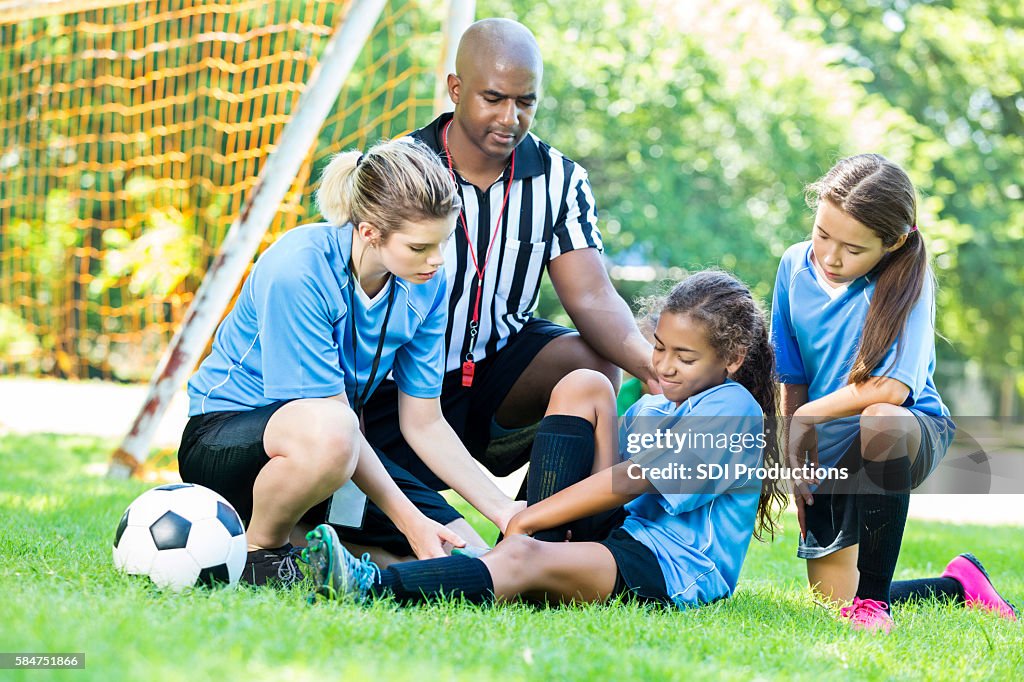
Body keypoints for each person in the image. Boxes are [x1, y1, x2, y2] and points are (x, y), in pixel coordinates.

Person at [355, 18, 658, 562]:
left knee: (592, 363)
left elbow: (591, 297)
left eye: (525, 102)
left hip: (495, 379)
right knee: (369, 512)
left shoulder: (562, 180)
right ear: (455, 89)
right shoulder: (398, 165)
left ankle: (543, 539)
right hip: (395, 388)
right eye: (493, 98)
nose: (509, 117)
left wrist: (654, 369)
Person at [303, 270, 788, 609]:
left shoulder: (733, 409)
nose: (662, 366)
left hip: (672, 565)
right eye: (659, 347)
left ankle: (369, 585)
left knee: (522, 553)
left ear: (732, 358)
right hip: (624, 534)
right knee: (588, 384)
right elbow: (604, 474)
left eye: (684, 357)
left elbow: (632, 480)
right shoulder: (654, 407)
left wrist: (527, 517)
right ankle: (530, 550)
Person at [177, 138, 525, 587]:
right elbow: (333, 424)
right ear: (369, 233)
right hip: (225, 442)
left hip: (334, 449)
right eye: (420, 247)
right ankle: (260, 550)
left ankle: (309, 542)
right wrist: (408, 520)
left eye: (442, 242)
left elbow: (424, 423)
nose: (436, 260)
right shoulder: (298, 269)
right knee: (340, 436)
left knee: (471, 559)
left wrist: (502, 508)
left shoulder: (426, 282)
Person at [771, 153, 1016, 631]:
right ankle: (959, 585)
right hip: (831, 438)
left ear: (893, 242)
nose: (831, 257)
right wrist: (795, 456)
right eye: (822, 235)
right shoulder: (793, 268)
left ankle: (875, 606)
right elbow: (792, 373)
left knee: (881, 415)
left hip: (907, 429)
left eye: (853, 248)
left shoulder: (910, 278)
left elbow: (895, 388)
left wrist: (807, 420)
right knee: (831, 600)